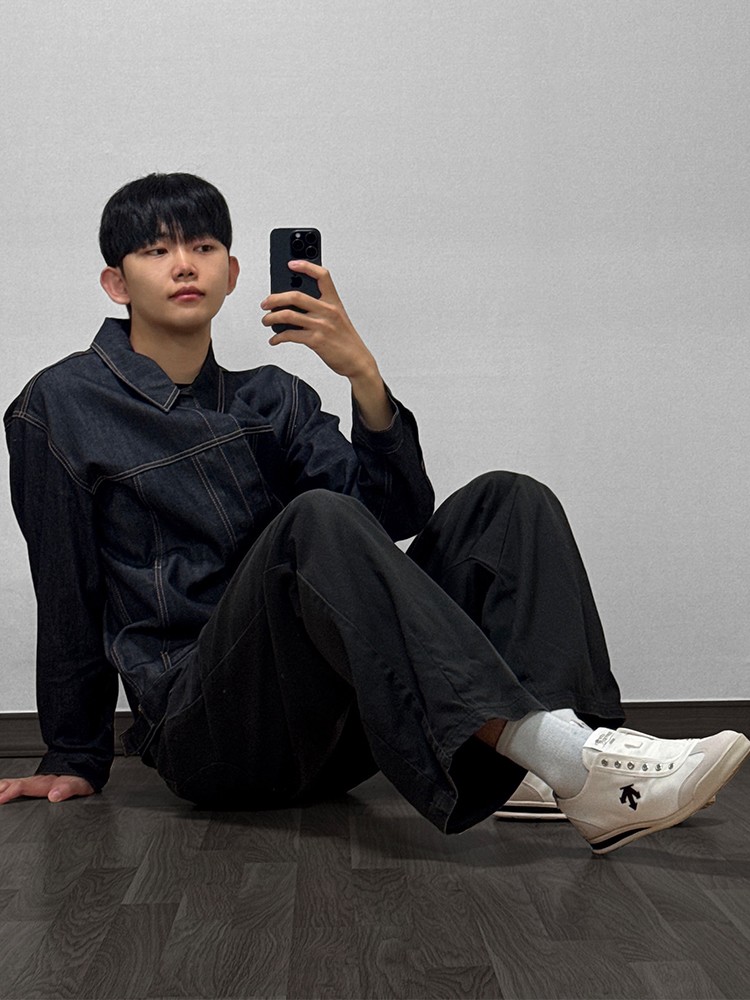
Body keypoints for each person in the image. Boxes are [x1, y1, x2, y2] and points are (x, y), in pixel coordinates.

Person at [2, 173, 747, 856]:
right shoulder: (62, 404)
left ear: (233, 272)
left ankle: (560, 772)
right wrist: (74, 754)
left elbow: (392, 516)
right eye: (156, 250)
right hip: (212, 733)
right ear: (116, 282)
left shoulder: (275, 398)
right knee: (313, 519)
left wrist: (362, 374)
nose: (184, 266)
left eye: (203, 247)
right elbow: (67, 589)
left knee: (509, 501)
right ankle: (568, 760)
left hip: (334, 732)